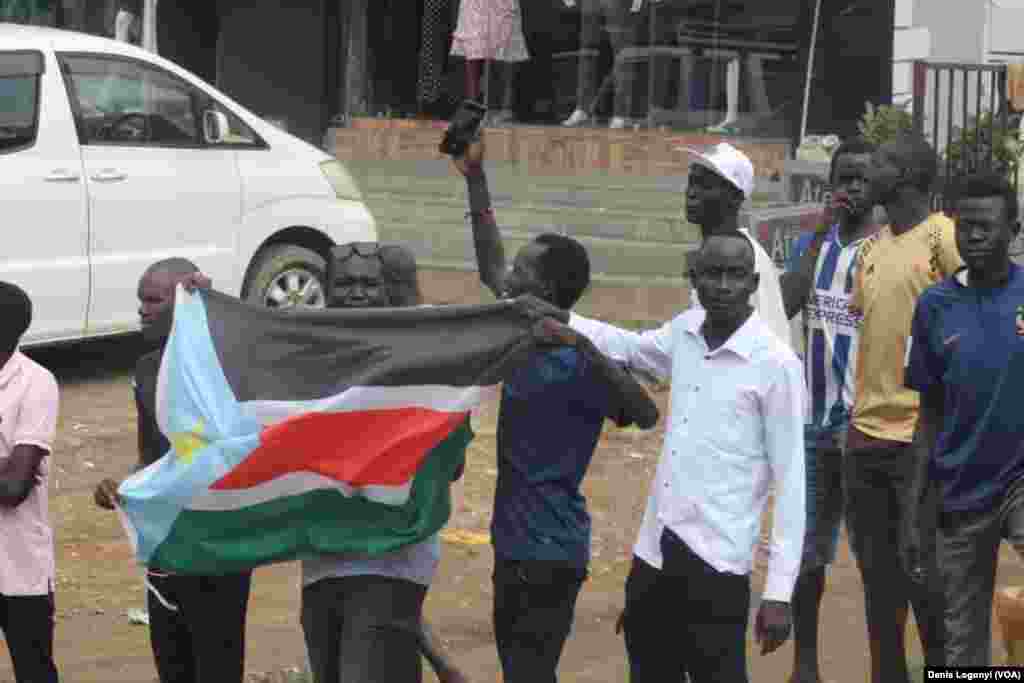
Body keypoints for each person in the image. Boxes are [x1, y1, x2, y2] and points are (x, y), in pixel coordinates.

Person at [543, 232, 806, 681]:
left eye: (735, 275)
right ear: (695, 280)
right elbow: (628, 346)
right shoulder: (684, 332)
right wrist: (563, 321)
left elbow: (792, 483)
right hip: (656, 554)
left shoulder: (776, 365)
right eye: (712, 274)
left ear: (753, 282)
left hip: (718, 563)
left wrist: (779, 592)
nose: (723, 285)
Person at [453, 138, 660, 682]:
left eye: (522, 273)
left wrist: (583, 346)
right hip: (516, 542)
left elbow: (645, 413)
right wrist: (474, 178)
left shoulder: (579, 361)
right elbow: (490, 262)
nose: (509, 280)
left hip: (552, 550)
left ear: (545, 288)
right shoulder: (519, 334)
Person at [299, 241, 469, 683]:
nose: (356, 294)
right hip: (322, 557)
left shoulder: (418, 358)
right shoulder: (308, 358)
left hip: (391, 555)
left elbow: (451, 466)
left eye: (367, 284)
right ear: (326, 290)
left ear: (388, 290)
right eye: (345, 284)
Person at [93, 259, 253, 683]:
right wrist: (125, 488)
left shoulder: (225, 365)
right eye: (140, 300)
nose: (143, 310)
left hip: (219, 540)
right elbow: (153, 458)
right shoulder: (147, 370)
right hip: (166, 540)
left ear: (183, 303)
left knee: (216, 663)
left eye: (154, 300)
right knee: (172, 660)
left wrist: (212, 303)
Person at [844, 135, 958, 681]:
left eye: (883, 162)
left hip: (921, 439)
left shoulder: (943, 237)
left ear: (909, 174)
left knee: (925, 579)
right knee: (877, 582)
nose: (870, 168)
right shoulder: (870, 246)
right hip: (864, 438)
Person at [904, 172, 1024, 666]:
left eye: (986, 226)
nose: (973, 235)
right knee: (962, 646)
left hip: (1019, 479)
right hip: (960, 487)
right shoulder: (934, 306)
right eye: (964, 225)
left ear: (1013, 229)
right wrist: (916, 512)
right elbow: (928, 415)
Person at [778, 138, 879, 683]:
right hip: (813, 424)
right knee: (808, 555)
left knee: (875, 560)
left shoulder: (883, 248)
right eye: (844, 178)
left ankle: (883, 666)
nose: (852, 188)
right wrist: (817, 232)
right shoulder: (814, 246)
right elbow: (788, 303)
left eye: (862, 179)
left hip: (865, 428)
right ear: (830, 184)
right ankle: (805, 668)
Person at [0, 281, 61, 683]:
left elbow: (13, 490)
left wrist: (13, 469)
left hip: (18, 562)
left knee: (34, 668)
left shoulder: (36, 383)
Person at [681, 142, 792, 347]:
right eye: (691, 182)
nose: (692, 192)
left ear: (736, 198)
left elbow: (772, 344)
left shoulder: (747, 260)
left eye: (705, 185)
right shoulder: (713, 253)